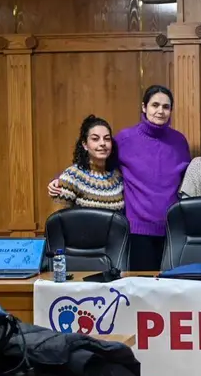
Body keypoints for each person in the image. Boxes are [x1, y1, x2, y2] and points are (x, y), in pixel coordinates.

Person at [48, 85, 191, 271]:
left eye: (166, 106)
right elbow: (99, 161)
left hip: (173, 232)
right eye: (155, 105)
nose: (160, 111)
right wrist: (60, 180)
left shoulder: (179, 141)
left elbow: (188, 178)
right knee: (142, 290)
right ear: (144, 107)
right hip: (136, 232)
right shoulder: (125, 138)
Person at [53, 115, 124, 211]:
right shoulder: (72, 177)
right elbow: (57, 222)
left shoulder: (117, 177)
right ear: (85, 145)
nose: (102, 143)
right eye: (95, 139)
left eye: (107, 139)